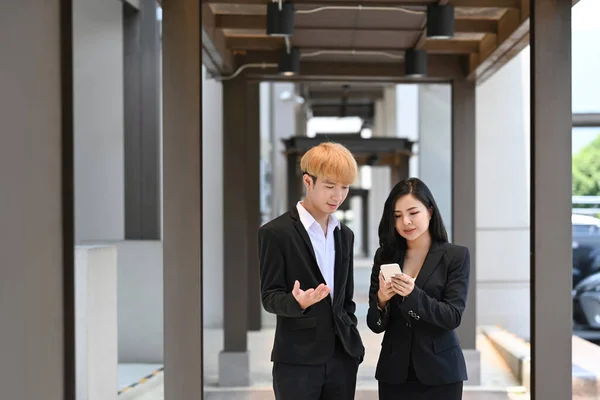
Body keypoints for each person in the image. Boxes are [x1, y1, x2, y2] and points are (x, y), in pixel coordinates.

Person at [258, 142, 365, 400]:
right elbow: (270, 297)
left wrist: (353, 344)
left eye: (344, 188)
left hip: (342, 358)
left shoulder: (345, 235)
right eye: (330, 186)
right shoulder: (276, 233)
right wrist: (297, 302)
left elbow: (345, 299)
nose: (337, 196)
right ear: (308, 181)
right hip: (297, 360)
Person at [366, 178, 470, 400]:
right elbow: (374, 324)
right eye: (397, 216)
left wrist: (413, 295)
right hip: (394, 373)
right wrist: (382, 301)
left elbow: (452, 317)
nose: (406, 222)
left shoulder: (455, 257)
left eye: (413, 212)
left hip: (441, 373)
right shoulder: (384, 257)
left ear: (430, 211)